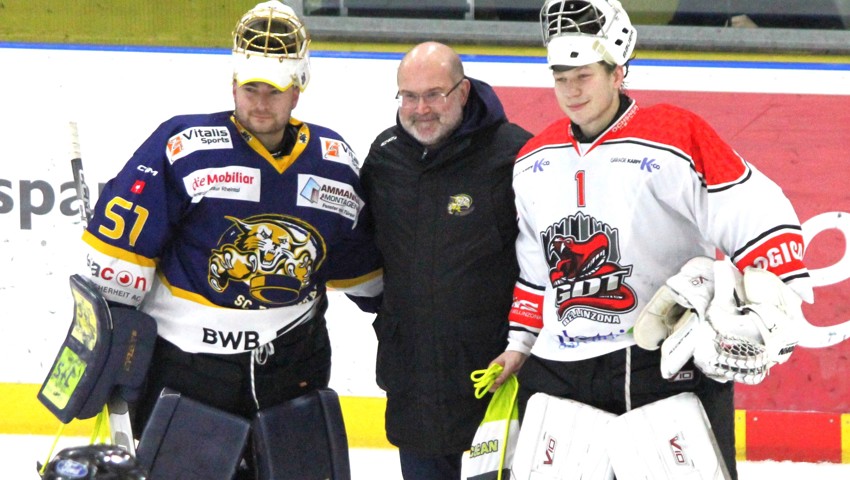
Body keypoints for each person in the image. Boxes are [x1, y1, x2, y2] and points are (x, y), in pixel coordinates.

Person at [489, 1, 814, 479]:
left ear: (617, 71)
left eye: (584, 75)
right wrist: (520, 342)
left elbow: (752, 209)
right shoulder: (534, 158)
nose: (571, 90)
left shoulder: (674, 135)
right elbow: (537, 268)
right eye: (561, 77)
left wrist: (781, 298)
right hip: (560, 367)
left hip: (659, 361)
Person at [75, 1, 381, 478]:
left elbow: (361, 270)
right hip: (190, 370)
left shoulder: (334, 162)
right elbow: (117, 257)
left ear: (298, 90)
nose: (261, 102)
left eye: (274, 90)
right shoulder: (185, 145)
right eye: (250, 87)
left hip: (292, 366)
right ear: (233, 83)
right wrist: (112, 337)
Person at [359, 41, 532, 479]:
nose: (422, 109)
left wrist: (523, 344)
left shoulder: (515, 156)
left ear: (463, 91)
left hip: (496, 382)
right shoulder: (385, 159)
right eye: (409, 96)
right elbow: (362, 254)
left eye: (435, 94)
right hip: (413, 383)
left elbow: (548, 266)